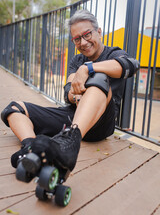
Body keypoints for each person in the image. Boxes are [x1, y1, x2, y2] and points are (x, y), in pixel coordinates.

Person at [1, 10, 139, 173]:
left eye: (87, 34)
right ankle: (32, 149)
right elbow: (68, 92)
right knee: (14, 108)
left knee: (98, 78)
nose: (83, 42)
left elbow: (131, 65)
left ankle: (70, 141)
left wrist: (87, 68)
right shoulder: (77, 59)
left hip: (101, 123)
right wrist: (75, 95)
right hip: (74, 115)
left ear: (99, 32)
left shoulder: (113, 54)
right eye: (77, 39)